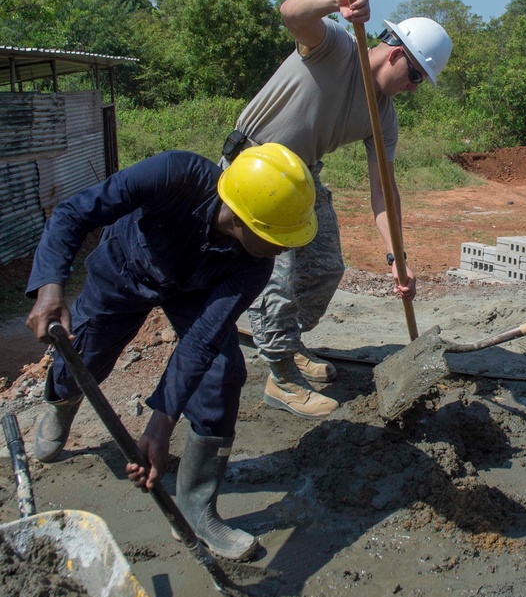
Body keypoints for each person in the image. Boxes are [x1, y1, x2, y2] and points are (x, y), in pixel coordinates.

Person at [25, 143, 318, 562]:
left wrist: (160, 424)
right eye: (277, 238)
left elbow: (202, 338)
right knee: (83, 355)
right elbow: (74, 212)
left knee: (222, 371)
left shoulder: (255, 263)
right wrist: (50, 284)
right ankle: (62, 401)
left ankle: (197, 506)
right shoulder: (172, 174)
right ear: (239, 218)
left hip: (193, 290)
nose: (284, 249)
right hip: (126, 268)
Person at [225, 0, 452, 419]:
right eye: (416, 76)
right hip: (252, 166)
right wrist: (336, 2)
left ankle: (287, 339)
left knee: (326, 267)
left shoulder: (383, 115)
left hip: (300, 177)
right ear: (394, 53)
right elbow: (291, 14)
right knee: (281, 272)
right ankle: (280, 376)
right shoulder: (335, 48)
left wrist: (396, 257)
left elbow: (383, 191)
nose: (413, 88)